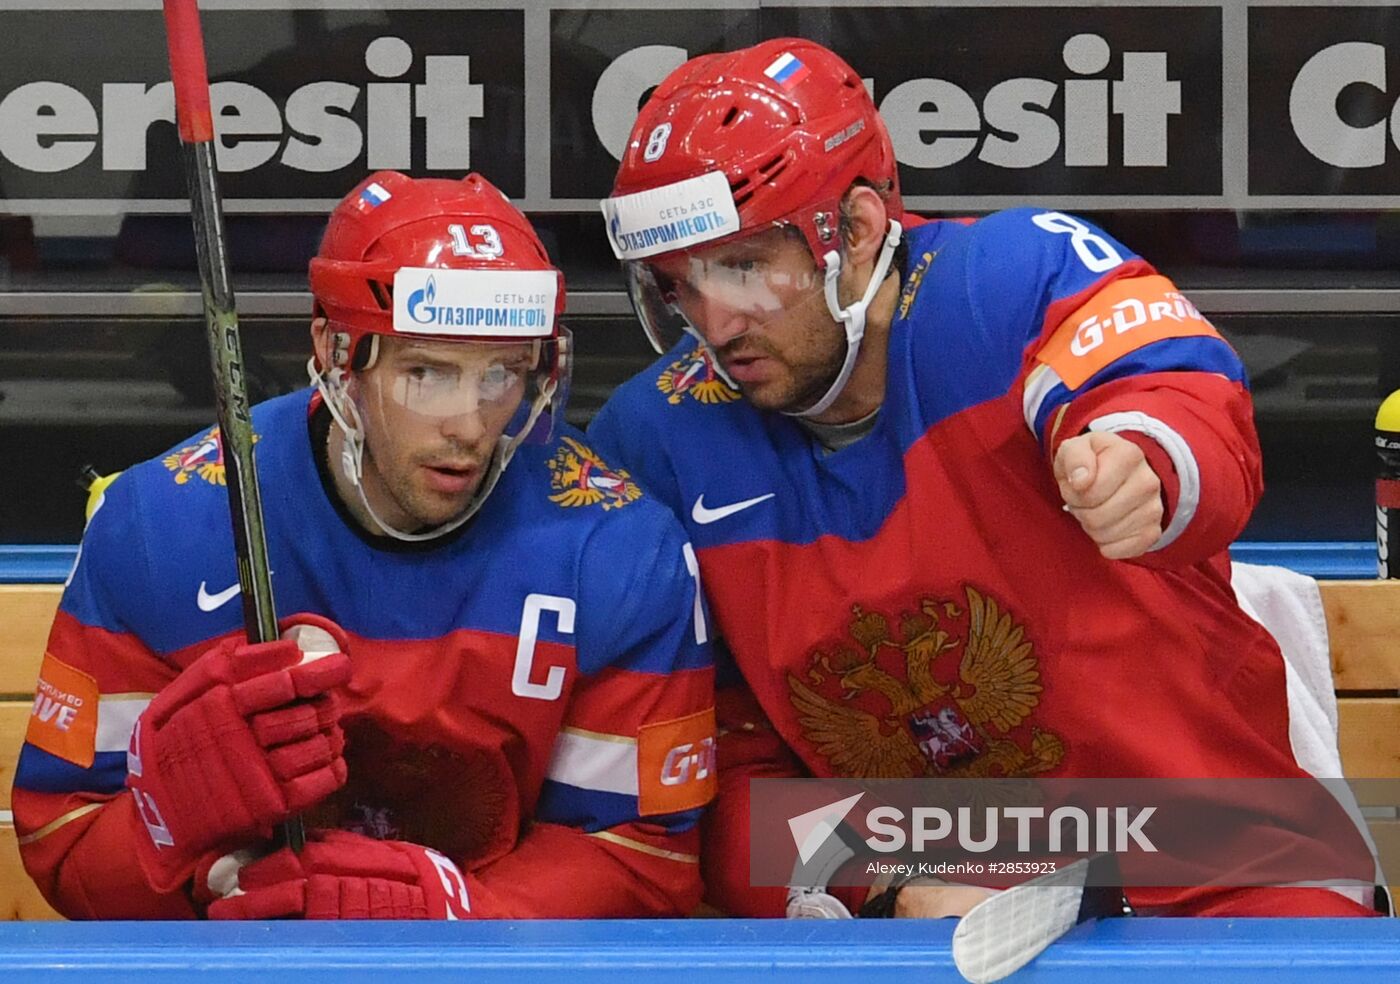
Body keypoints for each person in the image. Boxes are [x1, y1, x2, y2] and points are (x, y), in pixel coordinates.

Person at [588, 38, 1376, 919]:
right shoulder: (653, 435)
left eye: (741, 266)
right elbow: (712, 794)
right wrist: (886, 887)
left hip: (1211, 850)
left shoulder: (1008, 275)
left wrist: (1145, 460)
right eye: (677, 285)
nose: (714, 321)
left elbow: (1178, 391)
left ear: (853, 228)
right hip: (934, 886)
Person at [12, 171, 716, 920]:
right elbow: (63, 838)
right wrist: (175, 831)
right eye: (425, 372)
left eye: (502, 373)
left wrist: (466, 918)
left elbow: (643, 855)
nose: (470, 425)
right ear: (337, 352)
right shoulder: (162, 522)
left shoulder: (618, 542)